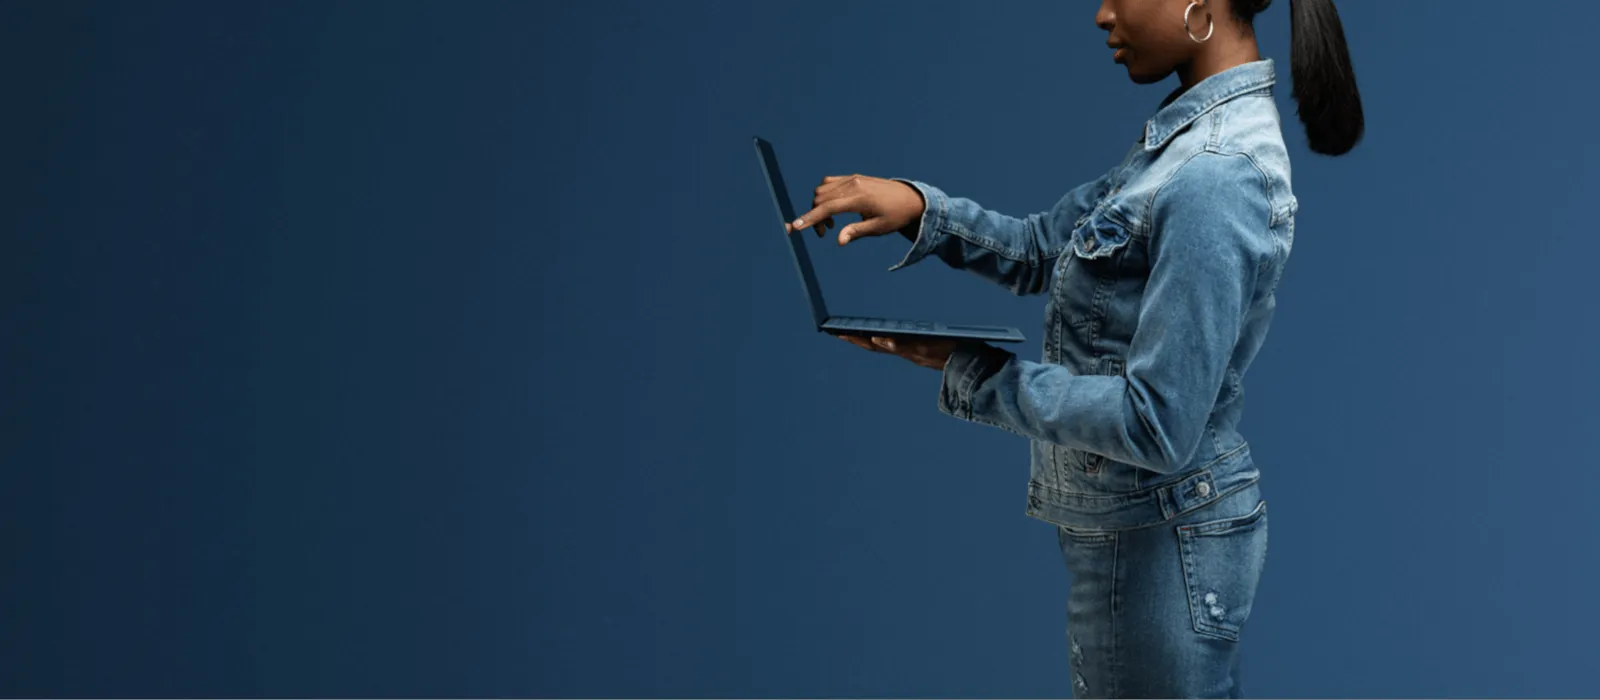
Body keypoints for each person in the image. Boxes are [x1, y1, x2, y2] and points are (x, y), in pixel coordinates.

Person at [781, 0, 1362, 697]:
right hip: (1142, 528)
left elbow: (1158, 423)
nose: (1101, 13)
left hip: (1157, 540)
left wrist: (977, 374)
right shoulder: (1184, 141)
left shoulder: (1217, 173)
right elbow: (1041, 250)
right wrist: (919, 209)